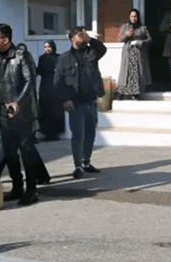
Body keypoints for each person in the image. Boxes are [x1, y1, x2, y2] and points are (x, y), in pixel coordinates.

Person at [0, 24, 40, 206]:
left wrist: (18, 102)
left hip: (22, 113)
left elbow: (30, 82)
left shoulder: (22, 57)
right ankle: (17, 187)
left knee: (27, 152)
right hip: (2, 113)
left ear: (6, 40)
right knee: (10, 153)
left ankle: (32, 190)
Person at [55, 26, 107, 178]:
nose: (83, 37)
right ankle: (78, 166)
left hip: (91, 101)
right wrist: (65, 99)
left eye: (84, 35)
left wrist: (90, 39)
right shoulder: (64, 58)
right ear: (72, 39)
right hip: (75, 103)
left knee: (90, 133)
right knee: (78, 135)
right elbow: (58, 82)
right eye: (80, 35)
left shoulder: (91, 52)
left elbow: (102, 49)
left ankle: (86, 162)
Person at [116, 9, 152, 100]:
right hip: (128, 54)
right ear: (129, 17)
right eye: (132, 16)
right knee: (126, 74)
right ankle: (124, 94)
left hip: (138, 54)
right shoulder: (125, 27)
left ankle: (136, 93)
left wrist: (140, 42)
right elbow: (120, 39)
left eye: (135, 16)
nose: (134, 18)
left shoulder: (143, 28)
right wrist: (127, 35)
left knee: (137, 73)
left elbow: (149, 40)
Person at [36, 40, 65, 140]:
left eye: (49, 47)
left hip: (55, 86)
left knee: (55, 109)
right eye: (45, 47)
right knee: (45, 108)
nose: (47, 49)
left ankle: (55, 133)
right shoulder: (42, 58)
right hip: (45, 86)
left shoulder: (58, 57)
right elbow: (40, 71)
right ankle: (45, 132)